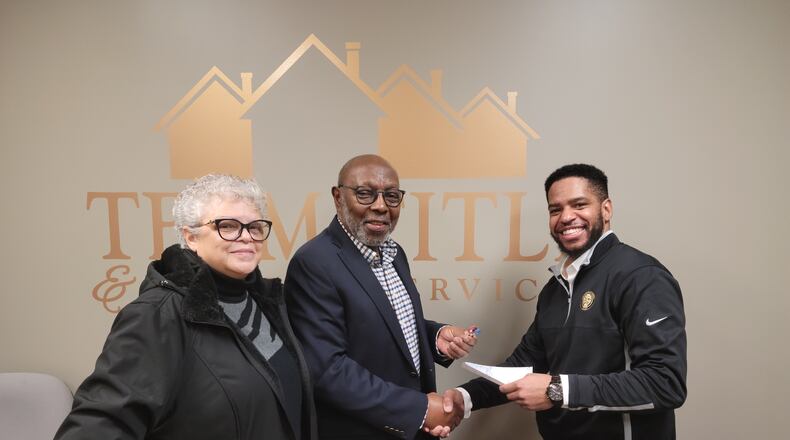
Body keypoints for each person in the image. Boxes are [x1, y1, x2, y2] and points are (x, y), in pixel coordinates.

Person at [55, 174, 317, 440]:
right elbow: (99, 425)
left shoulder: (267, 302)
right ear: (190, 236)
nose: (246, 237)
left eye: (255, 227)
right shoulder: (156, 314)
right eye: (228, 226)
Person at [441, 164, 687, 440]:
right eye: (555, 209)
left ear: (606, 210)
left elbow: (665, 384)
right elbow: (525, 364)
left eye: (579, 204)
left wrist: (556, 390)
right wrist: (465, 398)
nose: (566, 217)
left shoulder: (641, 276)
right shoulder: (554, 289)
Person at [285, 154, 476, 439]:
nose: (380, 206)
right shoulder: (313, 262)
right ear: (338, 197)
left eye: (391, 196)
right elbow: (327, 371)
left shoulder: (394, 252)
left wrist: (435, 337)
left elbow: (385, 323)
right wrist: (419, 409)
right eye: (365, 194)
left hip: (412, 429)